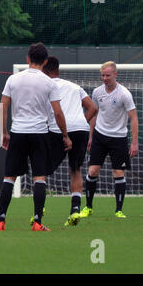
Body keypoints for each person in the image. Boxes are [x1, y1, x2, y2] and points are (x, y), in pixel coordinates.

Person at [0, 43, 72, 232]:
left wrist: (3, 132)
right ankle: (37, 222)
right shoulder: (49, 83)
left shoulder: (13, 79)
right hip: (39, 134)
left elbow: (3, 106)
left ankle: (1, 221)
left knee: (9, 177)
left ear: (28, 58)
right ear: (45, 61)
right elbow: (58, 113)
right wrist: (65, 135)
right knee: (39, 178)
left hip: (18, 133)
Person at [42, 56, 98, 227]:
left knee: (42, 168)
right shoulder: (75, 86)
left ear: (44, 71)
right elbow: (93, 108)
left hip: (59, 129)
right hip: (80, 128)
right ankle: (75, 210)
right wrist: (82, 121)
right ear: (58, 71)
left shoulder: (45, 87)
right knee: (75, 170)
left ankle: (39, 209)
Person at [79, 61, 139, 219]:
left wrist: (134, 142)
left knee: (118, 172)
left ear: (115, 74)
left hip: (119, 138)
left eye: (108, 75)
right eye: (103, 75)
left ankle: (119, 210)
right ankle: (88, 207)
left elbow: (133, 117)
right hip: (100, 136)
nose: (105, 78)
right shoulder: (97, 92)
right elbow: (94, 115)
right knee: (92, 171)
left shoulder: (124, 94)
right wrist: (90, 136)